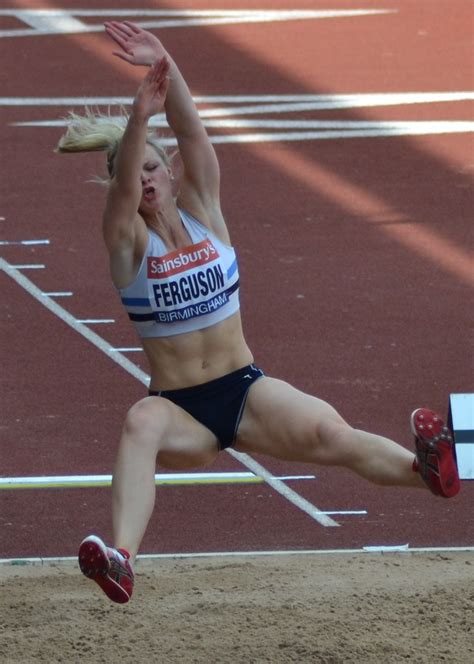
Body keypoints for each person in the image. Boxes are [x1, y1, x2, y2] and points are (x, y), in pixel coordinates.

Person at [56, 21, 460, 604]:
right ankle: (123, 560)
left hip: (245, 390)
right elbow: (122, 194)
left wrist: (166, 61)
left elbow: (194, 134)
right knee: (140, 422)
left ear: (169, 172)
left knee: (332, 433)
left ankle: (429, 474)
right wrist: (139, 117)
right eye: (133, 169)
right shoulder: (128, 243)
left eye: (152, 166)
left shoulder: (206, 214)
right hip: (183, 410)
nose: (144, 178)